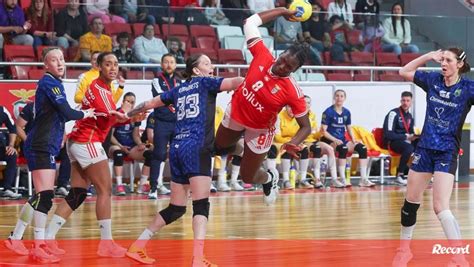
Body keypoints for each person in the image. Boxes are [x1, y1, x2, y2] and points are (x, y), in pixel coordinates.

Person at [120, 54, 244, 265]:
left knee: (176, 208)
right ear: (196, 70)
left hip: (177, 148)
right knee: (201, 205)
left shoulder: (178, 90)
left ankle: (137, 246)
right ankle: (198, 258)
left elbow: (149, 103)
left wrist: (126, 114)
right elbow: (238, 81)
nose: (211, 66)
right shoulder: (206, 82)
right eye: (206, 63)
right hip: (197, 148)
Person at [4, 47, 95, 263]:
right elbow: (67, 112)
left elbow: (58, 116)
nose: (60, 63)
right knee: (45, 197)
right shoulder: (49, 83)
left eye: (62, 59)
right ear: (46, 65)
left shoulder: (54, 85)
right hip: (41, 146)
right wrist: (87, 112)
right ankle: (39, 245)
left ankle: (16, 238)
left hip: (46, 145)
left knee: (40, 196)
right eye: (55, 60)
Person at [214, 7, 312, 206]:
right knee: (219, 146)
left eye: (288, 67)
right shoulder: (262, 55)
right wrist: (282, 10)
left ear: (295, 70)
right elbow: (250, 22)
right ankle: (242, 151)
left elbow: (306, 126)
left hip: (259, 129)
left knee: (247, 176)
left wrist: (294, 142)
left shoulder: (292, 91)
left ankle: (269, 179)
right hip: (238, 111)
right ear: (281, 53)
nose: (282, 66)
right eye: (283, 60)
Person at [44, 52, 129, 259]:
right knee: (105, 190)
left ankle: (47, 238)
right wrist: (131, 115)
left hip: (77, 141)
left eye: (115, 64)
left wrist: (127, 116)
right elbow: (112, 119)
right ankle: (106, 243)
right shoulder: (100, 90)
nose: (113, 68)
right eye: (108, 64)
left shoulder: (102, 89)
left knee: (78, 193)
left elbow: (110, 118)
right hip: (87, 141)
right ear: (99, 66)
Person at [393, 48, 472, 266]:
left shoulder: (468, 88)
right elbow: (404, 71)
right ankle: (404, 250)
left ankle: (459, 257)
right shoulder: (432, 80)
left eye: (448, 60)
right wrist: (429, 56)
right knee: (411, 202)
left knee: (440, 206)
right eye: (442, 59)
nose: (443, 63)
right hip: (425, 149)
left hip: (447, 151)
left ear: (460, 65)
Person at [320, 89, 375, 187]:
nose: (339, 98)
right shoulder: (328, 112)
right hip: (329, 140)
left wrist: (354, 140)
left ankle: (363, 179)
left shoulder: (347, 112)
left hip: (342, 139)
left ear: (344, 98)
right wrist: (334, 140)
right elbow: (323, 131)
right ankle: (342, 178)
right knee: (343, 148)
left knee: (362, 148)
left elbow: (349, 128)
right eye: (337, 96)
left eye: (341, 96)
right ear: (334, 97)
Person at [15, 102, 71, 197]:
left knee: (68, 152)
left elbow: (62, 129)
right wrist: (28, 140)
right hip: (37, 147)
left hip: (53, 145)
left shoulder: (58, 108)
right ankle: (40, 191)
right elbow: (18, 126)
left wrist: (62, 141)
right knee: (44, 194)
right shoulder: (31, 107)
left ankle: (62, 186)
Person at [147, 53, 180, 199]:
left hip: (177, 123)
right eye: (166, 62)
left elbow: (178, 98)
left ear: (176, 65)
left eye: (172, 62)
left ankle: (179, 187)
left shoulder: (180, 82)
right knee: (158, 155)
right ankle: (153, 187)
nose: (169, 65)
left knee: (177, 156)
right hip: (161, 123)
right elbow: (161, 97)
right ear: (161, 64)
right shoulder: (156, 80)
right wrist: (173, 97)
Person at [108, 92, 153, 196]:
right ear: (123, 101)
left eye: (132, 102)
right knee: (118, 153)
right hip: (116, 144)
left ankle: (141, 185)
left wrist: (140, 143)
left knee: (149, 154)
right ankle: (119, 186)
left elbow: (136, 135)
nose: (130, 104)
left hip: (130, 146)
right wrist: (120, 146)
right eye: (128, 101)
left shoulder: (136, 115)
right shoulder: (117, 113)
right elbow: (110, 136)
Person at [382, 91, 417, 186]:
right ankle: (400, 175)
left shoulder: (409, 116)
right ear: (400, 101)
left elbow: (410, 132)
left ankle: (421, 172)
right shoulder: (393, 113)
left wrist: (415, 136)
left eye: (408, 101)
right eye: (403, 100)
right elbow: (388, 134)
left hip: (404, 141)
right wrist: (405, 136)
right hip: (392, 142)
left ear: (411, 102)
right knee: (409, 148)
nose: (405, 103)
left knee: (423, 144)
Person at [0, 105, 19, 199]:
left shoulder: (2, 110)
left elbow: (12, 128)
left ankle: (7, 189)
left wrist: (11, 145)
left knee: (12, 154)